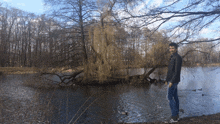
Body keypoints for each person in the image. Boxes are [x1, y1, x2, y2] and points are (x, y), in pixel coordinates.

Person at [165, 43, 182, 123]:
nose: (171, 49)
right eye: (170, 48)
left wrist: (171, 81)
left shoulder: (178, 57)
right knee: (175, 97)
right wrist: (166, 79)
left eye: (172, 48)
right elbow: (170, 71)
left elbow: (176, 71)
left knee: (169, 97)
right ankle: (176, 115)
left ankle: (174, 117)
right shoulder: (172, 57)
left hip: (174, 81)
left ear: (176, 48)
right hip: (171, 80)